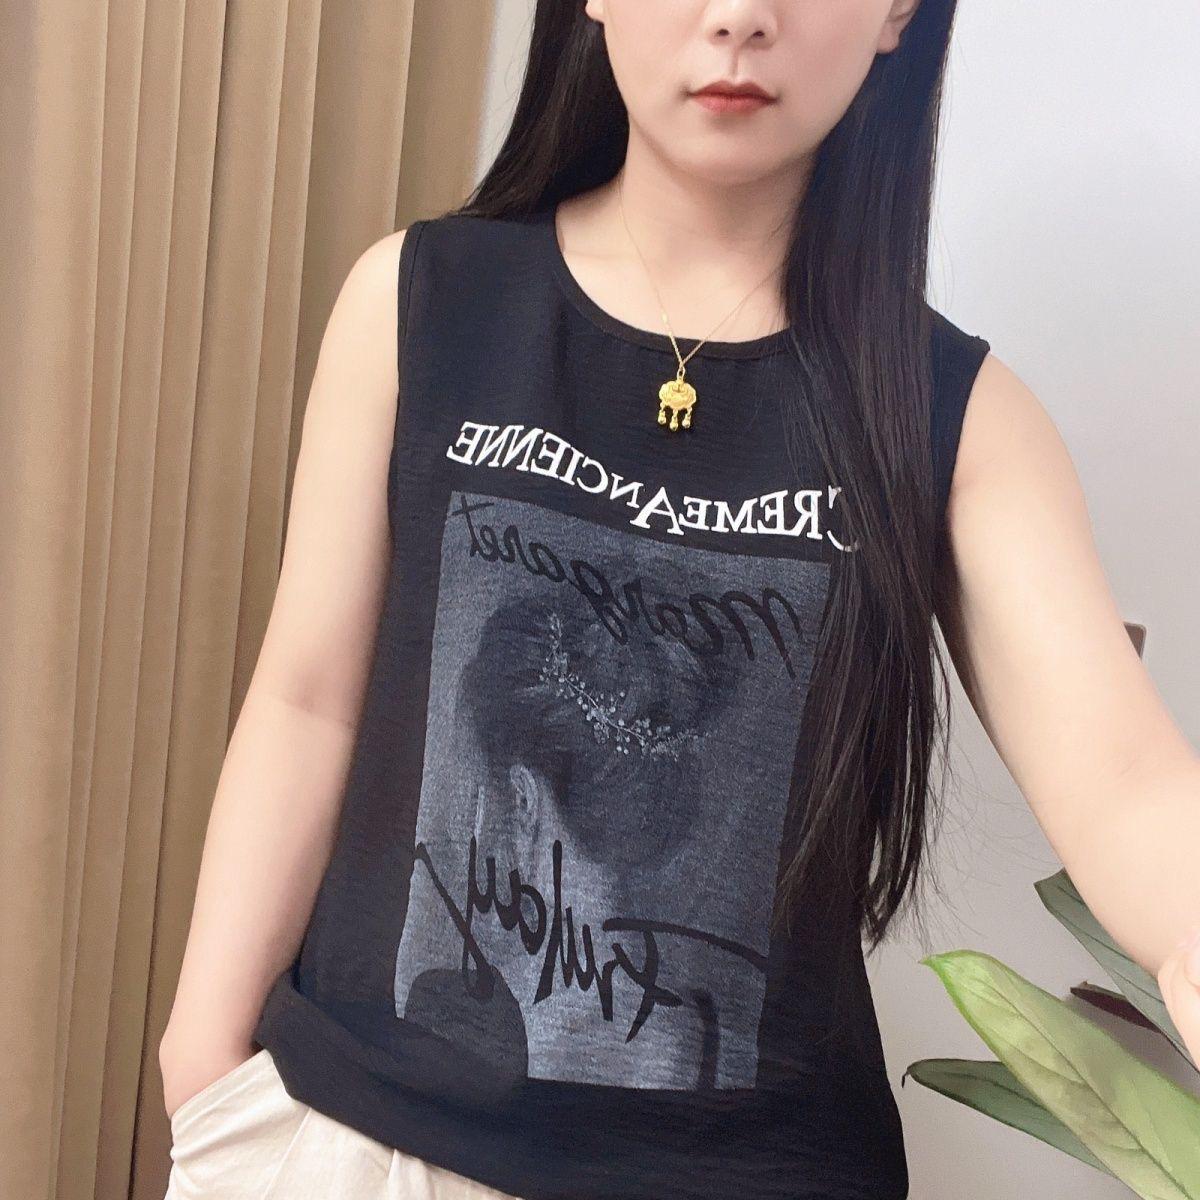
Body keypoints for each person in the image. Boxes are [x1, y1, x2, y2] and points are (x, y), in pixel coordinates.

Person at [157, 2, 1200, 1198]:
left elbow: (1125, 782)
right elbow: (309, 702)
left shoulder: (956, 417)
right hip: (357, 1142)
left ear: (898, 13)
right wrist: (204, 1060)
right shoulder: (421, 301)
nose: (739, 17)